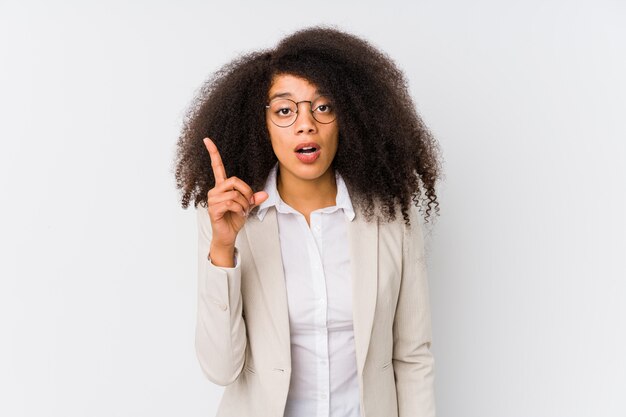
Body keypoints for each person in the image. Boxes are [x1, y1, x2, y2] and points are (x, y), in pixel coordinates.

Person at [174, 26, 442, 417]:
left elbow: (413, 357)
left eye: (323, 107)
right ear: (260, 124)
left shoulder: (392, 215)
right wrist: (222, 249)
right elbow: (220, 368)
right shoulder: (228, 218)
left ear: (348, 117)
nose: (306, 124)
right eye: (285, 110)